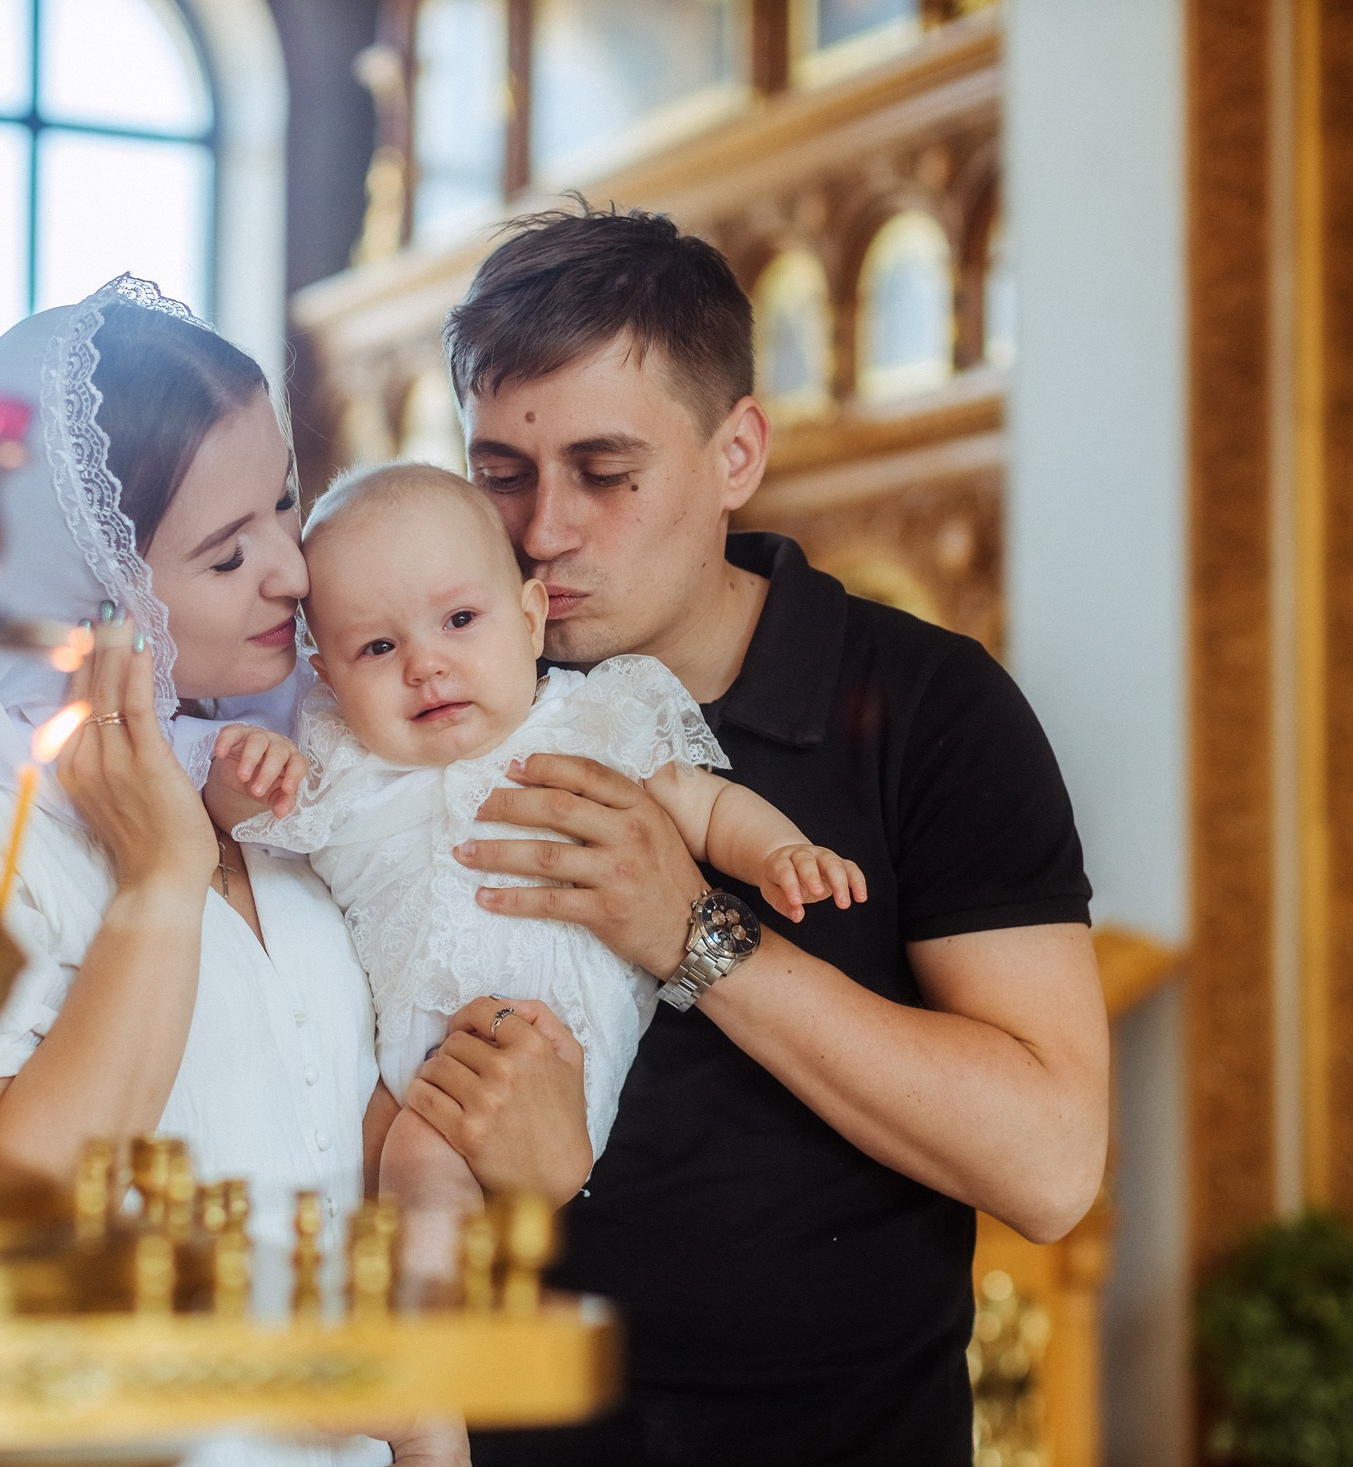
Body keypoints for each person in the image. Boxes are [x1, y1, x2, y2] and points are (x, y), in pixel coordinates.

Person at [439, 210, 1109, 1465]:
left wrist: (691, 932)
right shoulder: (426, 694)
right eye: (501, 474)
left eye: (605, 471)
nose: (542, 532)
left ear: (734, 450)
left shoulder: (927, 705)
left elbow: (1050, 1162)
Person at [0, 277, 582, 1467]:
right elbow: (10, 1215)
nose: (294, 572)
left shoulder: (306, 762)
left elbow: (356, 1103)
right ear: (97, 590)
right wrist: (156, 884)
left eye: (284, 505)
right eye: (229, 553)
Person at [210, 462, 863, 1231]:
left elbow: (706, 805)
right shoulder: (344, 762)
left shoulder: (592, 720)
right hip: (422, 1074)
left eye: (459, 620)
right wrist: (250, 770)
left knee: (425, 1173)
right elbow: (245, 815)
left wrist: (779, 851)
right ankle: (437, 1336)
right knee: (409, 1169)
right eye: (379, 647)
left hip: (564, 1048)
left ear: (528, 618)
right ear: (327, 678)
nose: (426, 665)